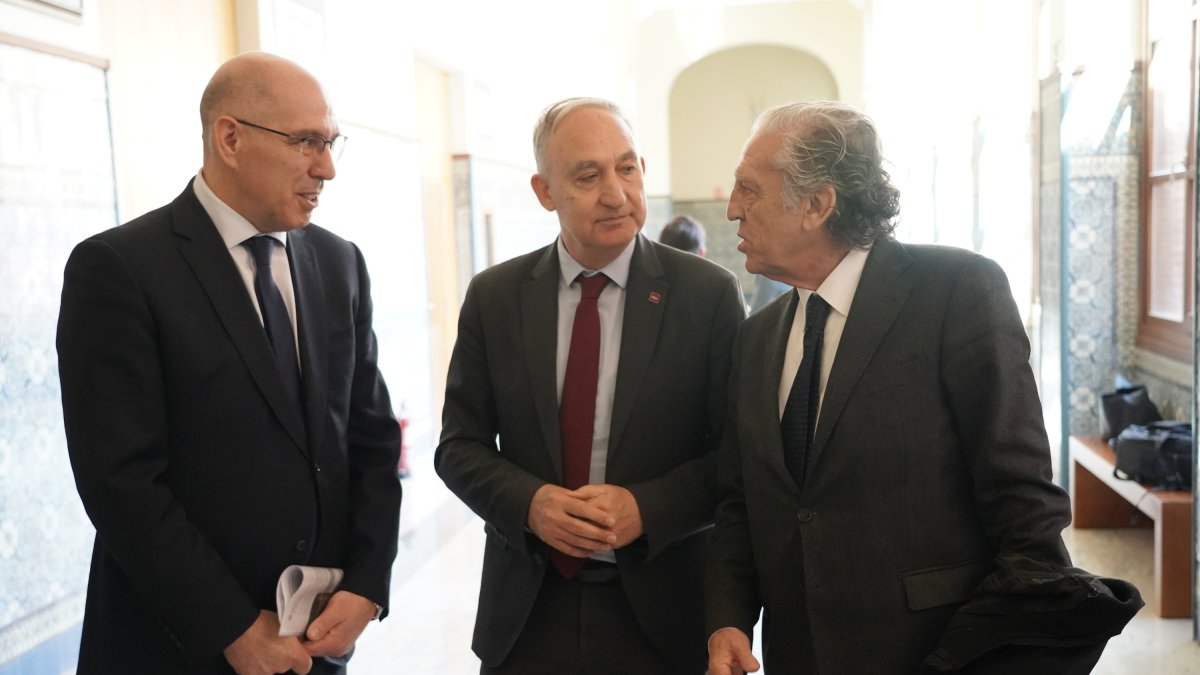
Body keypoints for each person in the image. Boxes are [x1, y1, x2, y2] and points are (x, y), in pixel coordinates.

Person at [705, 101, 1140, 674]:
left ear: (816, 205)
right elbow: (742, 501)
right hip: (800, 653)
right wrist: (730, 618)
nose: (733, 209)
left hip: (937, 651)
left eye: (749, 189)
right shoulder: (758, 336)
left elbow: (1021, 497)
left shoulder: (956, 292)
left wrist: (1003, 648)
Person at [56, 52, 403, 675]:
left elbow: (371, 438)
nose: (326, 168)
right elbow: (121, 481)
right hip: (176, 645)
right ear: (231, 137)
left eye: (330, 144)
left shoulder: (339, 263)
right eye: (306, 142)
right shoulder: (121, 268)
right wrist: (233, 629)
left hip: (312, 647)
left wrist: (367, 584)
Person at [435, 97, 745, 674]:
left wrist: (645, 508)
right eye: (587, 175)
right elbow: (458, 448)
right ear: (544, 191)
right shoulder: (496, 297)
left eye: (627, 168)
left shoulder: (708, 296)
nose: (616, 193)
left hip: (662, 611)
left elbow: (734, 457)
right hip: (528, 611)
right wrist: (531, 504)